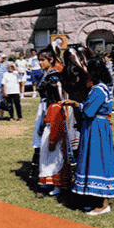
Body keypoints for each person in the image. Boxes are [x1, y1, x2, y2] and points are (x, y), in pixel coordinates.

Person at [63, 58, 114, 215]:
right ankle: (96, 200)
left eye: (88, 69)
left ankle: (103, 204)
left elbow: (89, 111)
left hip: (96, 129)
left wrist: (81, 107)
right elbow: (88, 107)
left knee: (97, 161)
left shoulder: (98, 90)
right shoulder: (100, 88)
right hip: (95, 127)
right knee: (92, 160)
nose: (85, 71)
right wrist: (76, 104)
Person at [32, 48, 71, 196]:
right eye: (39, 60)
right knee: (43, 146)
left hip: (54, 111)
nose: (40, 63)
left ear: (51, 60)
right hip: (46, 109)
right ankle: (47, 178)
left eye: (43, 60)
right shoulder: (48, 74)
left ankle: (57, 181)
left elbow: (60, 97)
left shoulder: (55, 75)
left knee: (54, 148)